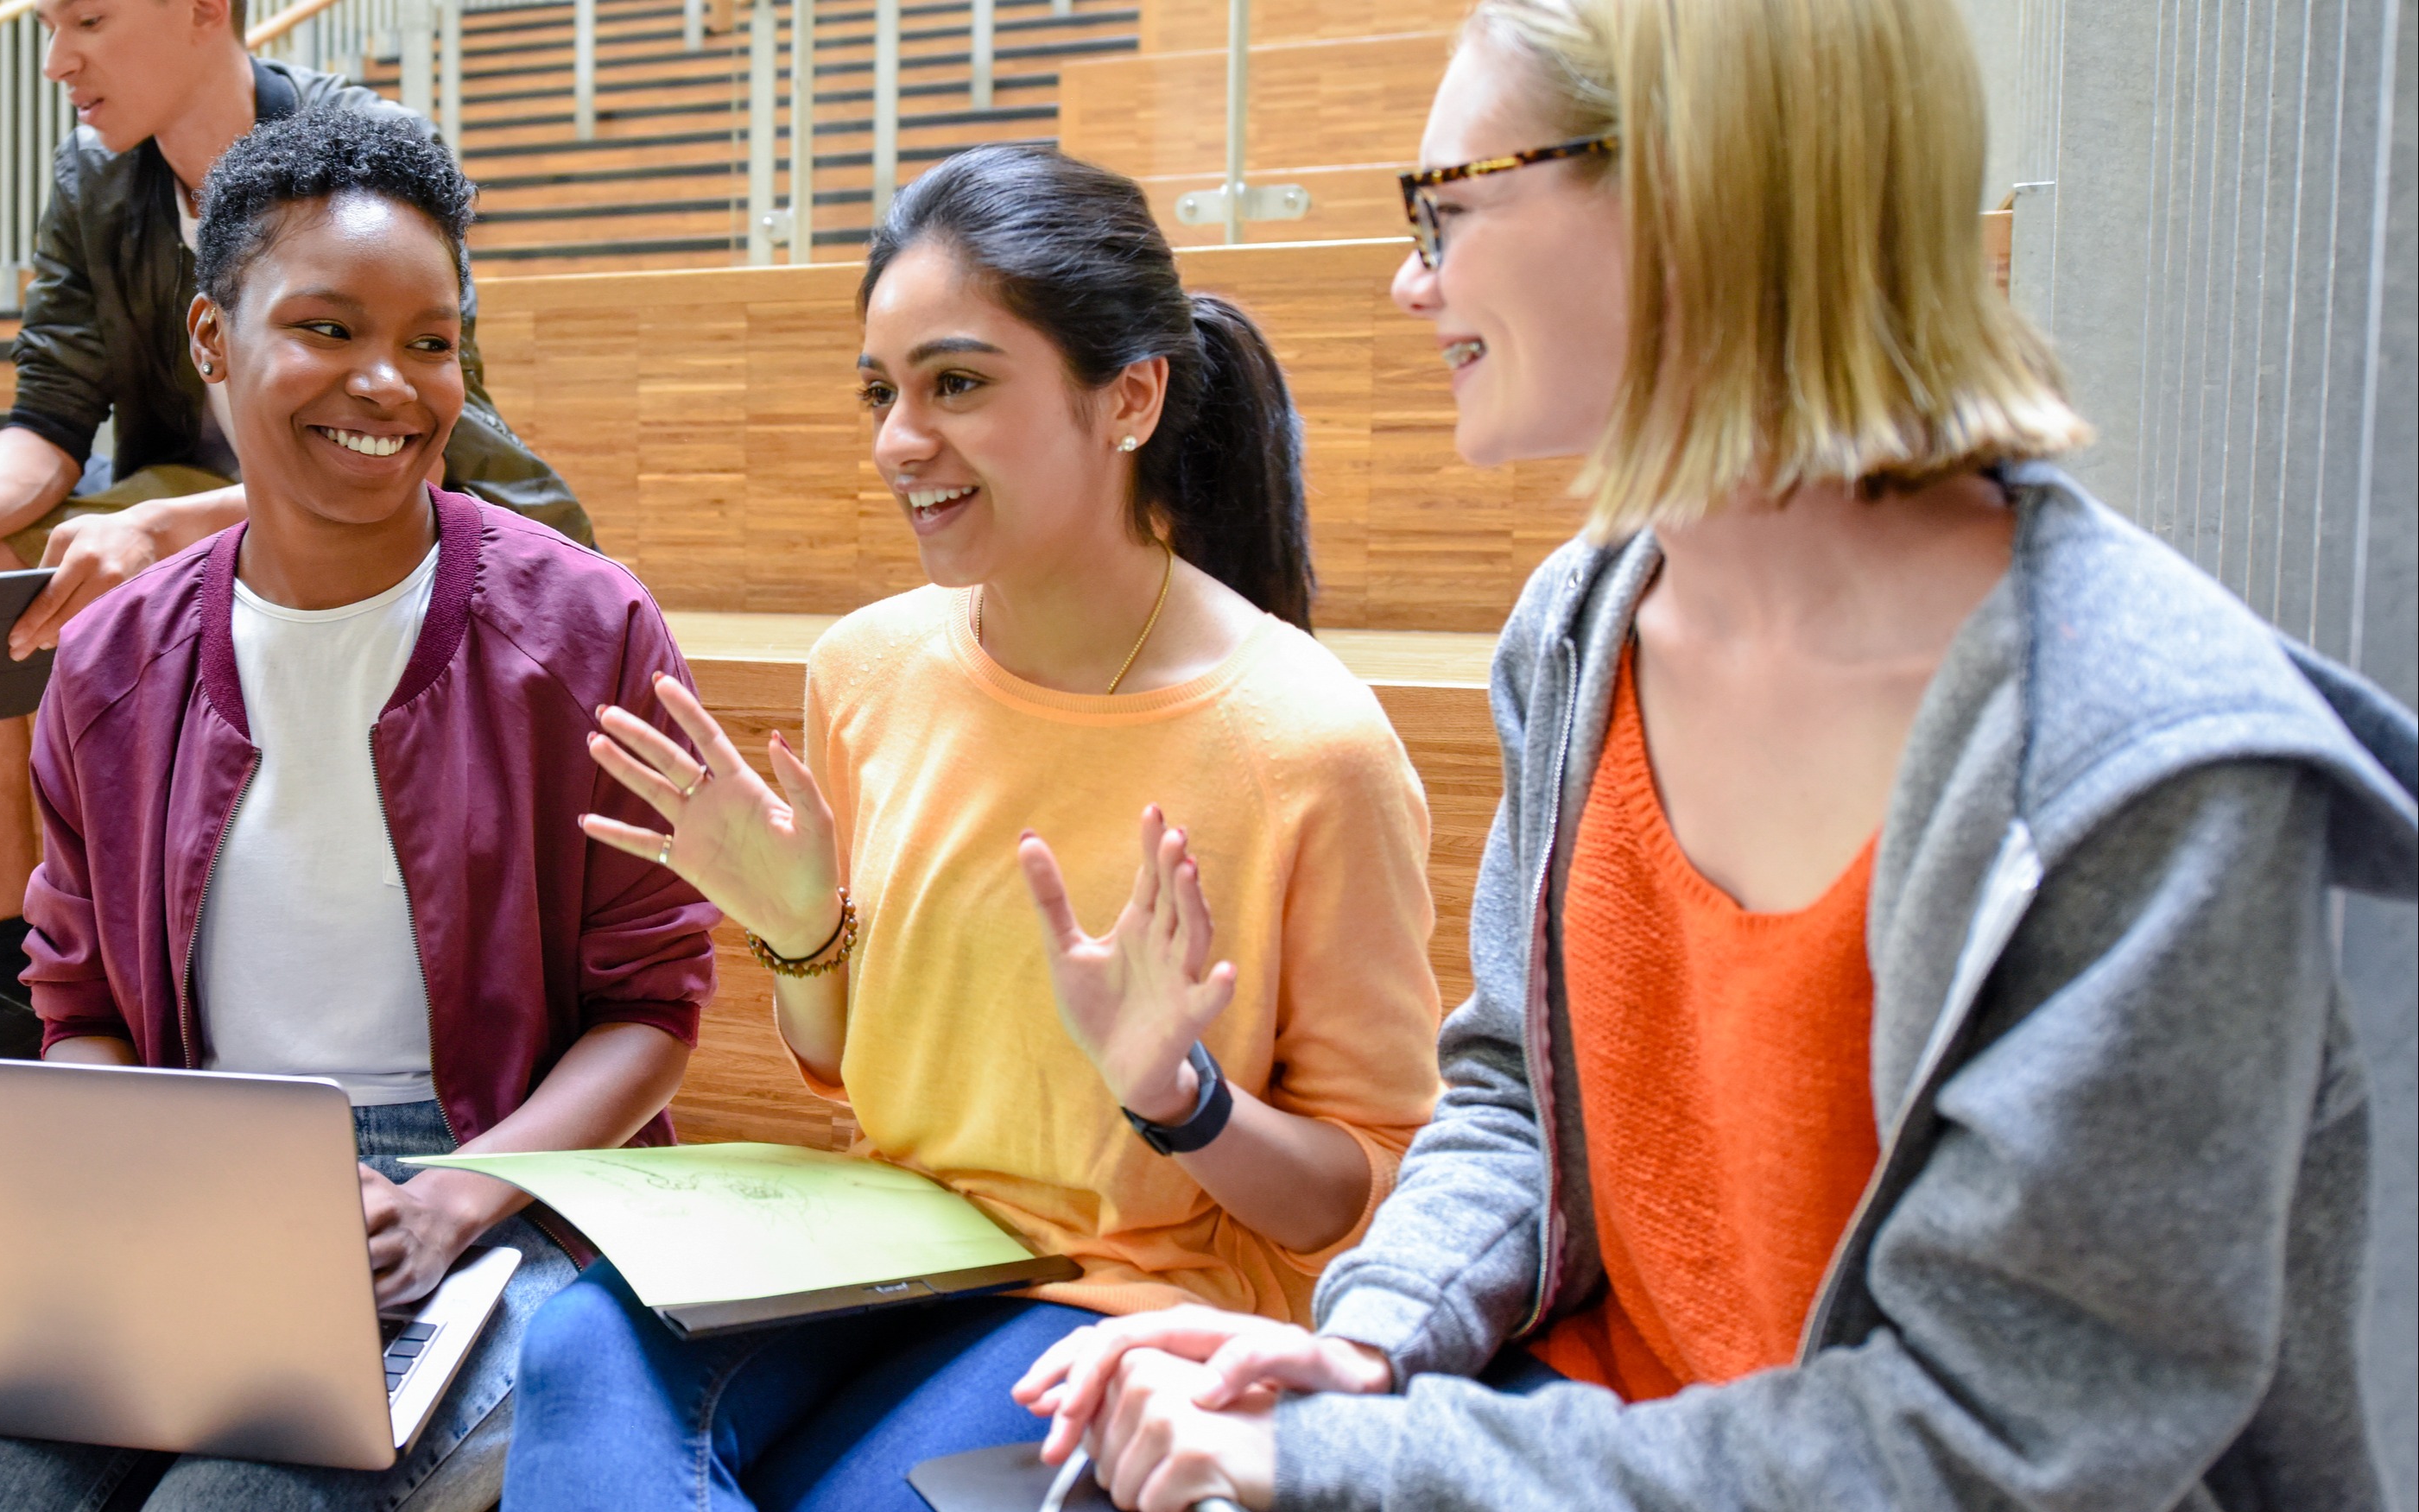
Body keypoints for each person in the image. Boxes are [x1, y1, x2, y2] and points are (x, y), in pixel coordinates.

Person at [1004, 0, 2419, 1507]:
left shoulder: (2145, 768)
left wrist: (1372, 1457)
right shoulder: (1577, 629)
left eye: (1450, 204)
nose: (1409, 278)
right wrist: (1366, 1346)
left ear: (1692, 196)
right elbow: (1512, 1099)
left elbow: (1982, 1447)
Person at [496, 143, 1447, 1512]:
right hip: (874, 1242)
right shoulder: (863, 670)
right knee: (579, 1345)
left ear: (1126, 396)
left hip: (1114, 1296)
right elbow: (840, 1074)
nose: (897, 439)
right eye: (882, 391)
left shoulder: (1309, 743)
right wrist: (803, 934)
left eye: (955, 384)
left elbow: (1354, 1197)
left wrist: (1177, 1097)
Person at [0, 107, 715, 1512]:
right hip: (203, 1180)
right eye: (325, 330)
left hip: (495, 1191)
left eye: (431, 342)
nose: (386, 383)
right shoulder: (111, 657)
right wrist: (141, 1176)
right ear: (211, 342)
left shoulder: (583, 626)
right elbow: (80, 1011)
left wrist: (458, 1193)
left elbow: (654, 1009)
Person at [0, 0, 587, 1003]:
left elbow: (410, 435)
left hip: (390, 483)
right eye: (47, 25)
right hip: (185, 482)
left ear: (205, 10)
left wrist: (160, 527)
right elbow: (49, 415)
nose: (55, 61)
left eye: (85, 20)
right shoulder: (93, 176)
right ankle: (0, 981)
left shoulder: (364, 150)